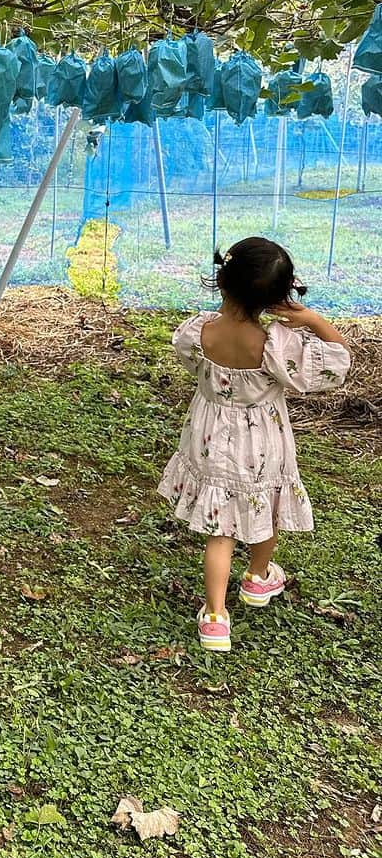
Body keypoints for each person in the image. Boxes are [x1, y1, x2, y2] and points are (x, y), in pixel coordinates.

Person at [158, 237, 350, 652]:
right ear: (279, 297)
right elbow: (337, 361)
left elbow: (188, 358)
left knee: (220, 531)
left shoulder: (200, 331)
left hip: (208, 437)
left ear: (222, 281)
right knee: (267, 507)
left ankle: (214, 617)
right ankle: (258, 578)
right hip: (262, 443)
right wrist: (312, 319)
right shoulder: (277, 347)